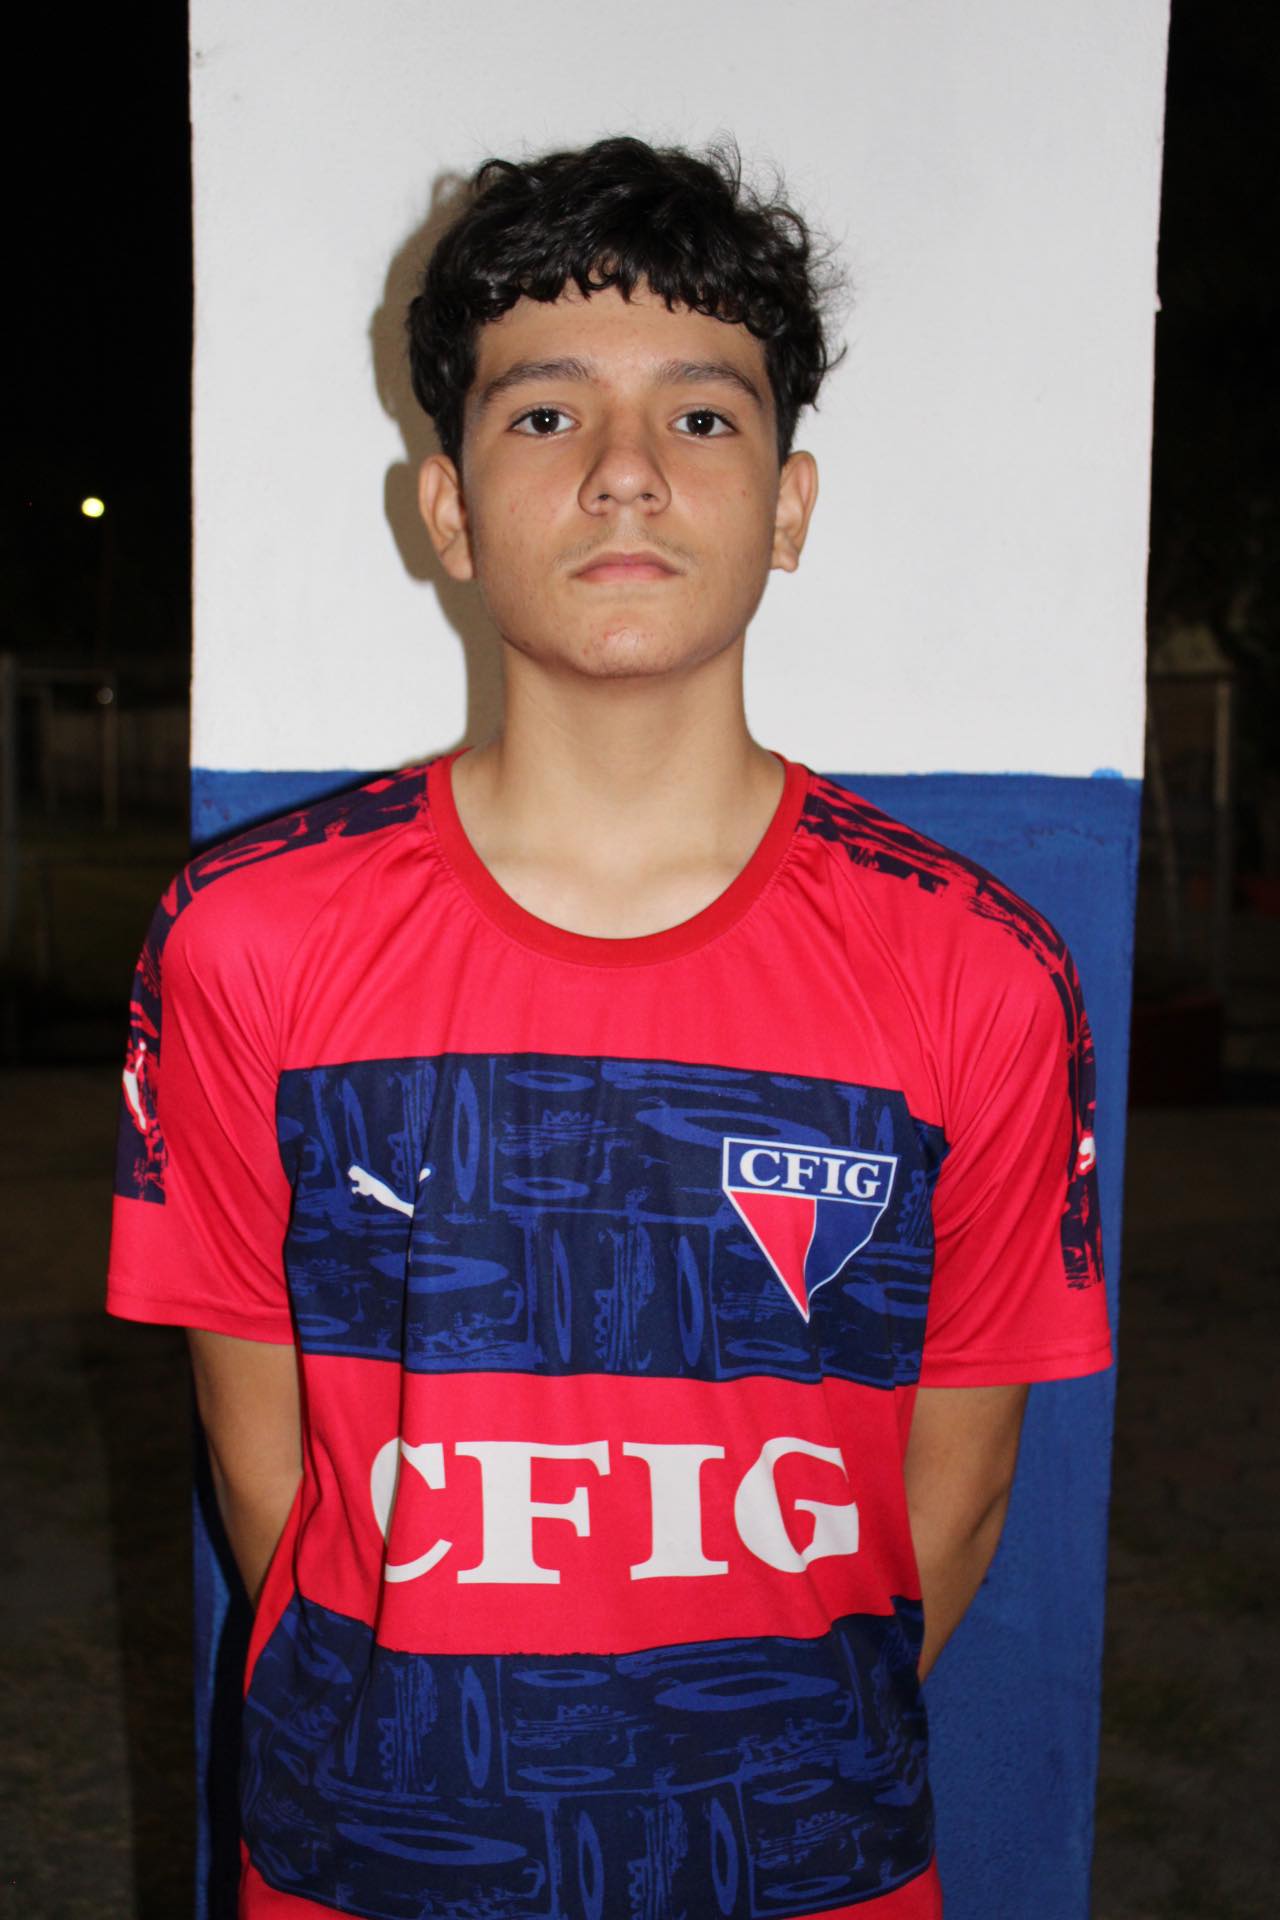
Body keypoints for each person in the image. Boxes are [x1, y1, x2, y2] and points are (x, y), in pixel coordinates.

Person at [107, 136, 1112, 1920]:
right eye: (548, 413)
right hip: (374, 1863)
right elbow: (271, 1477)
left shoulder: (977, 970)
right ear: (448, 508)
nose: (628, 471)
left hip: (804, 1865)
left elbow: (952, 1506)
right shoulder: (245, 939)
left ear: (790, 506)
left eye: (702, 417)